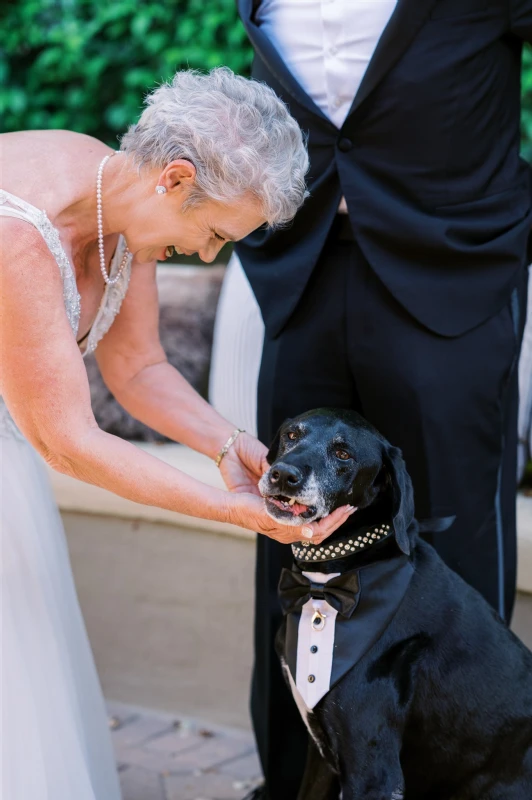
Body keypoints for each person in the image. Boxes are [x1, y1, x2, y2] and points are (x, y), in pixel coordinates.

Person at [0, 67, 355, 800]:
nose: (206, 254)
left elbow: (137, 369)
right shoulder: (19, 232)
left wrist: (230, 446)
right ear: (175, 177)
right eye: (215, 232)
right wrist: (234, 512)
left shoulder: (119, 202)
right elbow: (65, 441)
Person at [214, 3, 532, 798]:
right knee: (290, 523)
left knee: (452, 535)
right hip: (302, 263)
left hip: (452, 264)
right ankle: (294, 782)